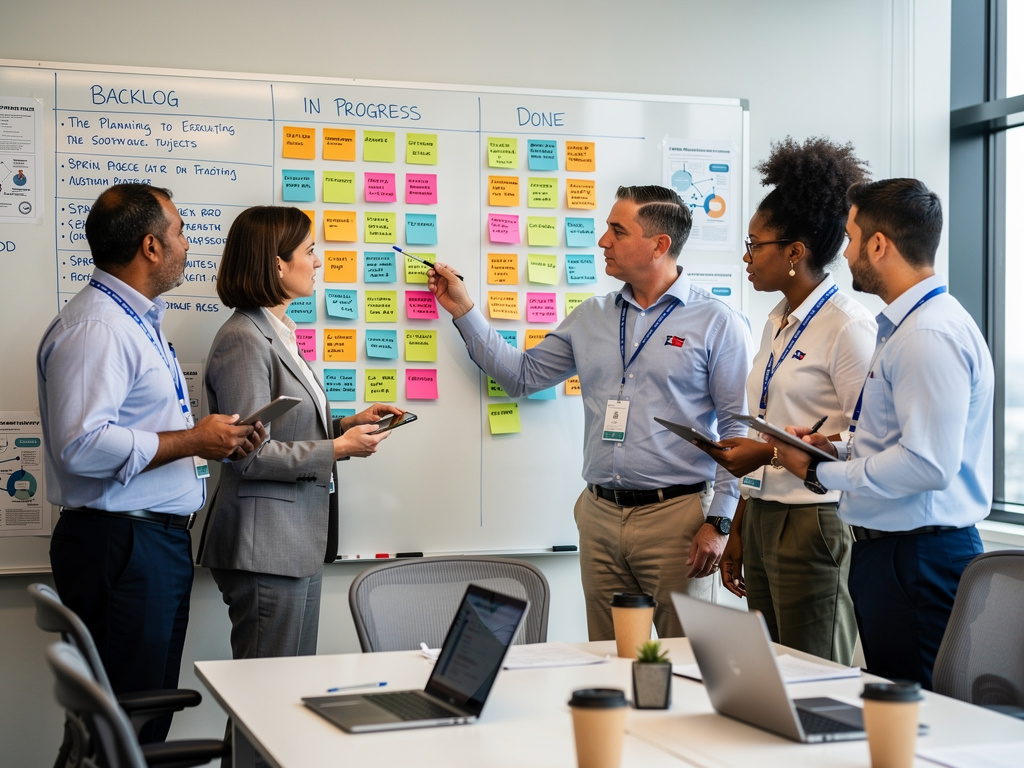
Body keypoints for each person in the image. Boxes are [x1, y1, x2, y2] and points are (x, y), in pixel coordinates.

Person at [428, 185, 752, 640]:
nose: (603, 241)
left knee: (686, 659)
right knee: (609, 658)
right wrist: (464, 309)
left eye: (618, 231)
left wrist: (720, 522)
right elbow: (521, 376)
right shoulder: (592, 317)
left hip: (678, 519)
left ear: (659, 245)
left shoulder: (717, 321)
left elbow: (738, 430)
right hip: (599, 516)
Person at [37, 183, 261, 742]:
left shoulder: (133, 319)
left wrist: (212, 441)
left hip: (145, 546)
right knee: (126, 727)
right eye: (179, 232)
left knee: (138, 721)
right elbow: (81, 445)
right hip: (122, 548)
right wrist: (193, 440)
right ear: (151, 247)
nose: (187, 244)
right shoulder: (99, 328)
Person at [768, 178, 992, 689]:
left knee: (919, 712)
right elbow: (896, 442)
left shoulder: (927, 334)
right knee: (896, 702)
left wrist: (822, 473)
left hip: (917, 558)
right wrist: (833, 448)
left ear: (878, 245)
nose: (845, 253)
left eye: (851, 240)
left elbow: (927, 464)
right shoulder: (908, 327)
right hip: (896, 554)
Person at [198, 205, 402, 662]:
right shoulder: (244, 339)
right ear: (277, 265)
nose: (318, 261)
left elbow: (282, 425)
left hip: (293, 544)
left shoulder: (279, 333)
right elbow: (249, 455)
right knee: (265, 691)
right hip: (266, 547)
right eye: (309, 251)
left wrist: (345, 425)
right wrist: (338, 448)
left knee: (285, 685)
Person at [702, 137, 874, 663]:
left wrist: (771, 453)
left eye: (755, 245)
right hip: (763, 514)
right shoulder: (776, 320)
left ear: (795, 252)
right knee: (773, 671)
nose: (747, 257)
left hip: (814, 520)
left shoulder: (848, 327)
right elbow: (767, 423)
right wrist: (740, 525)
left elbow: (869, 438)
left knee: (815, 674)